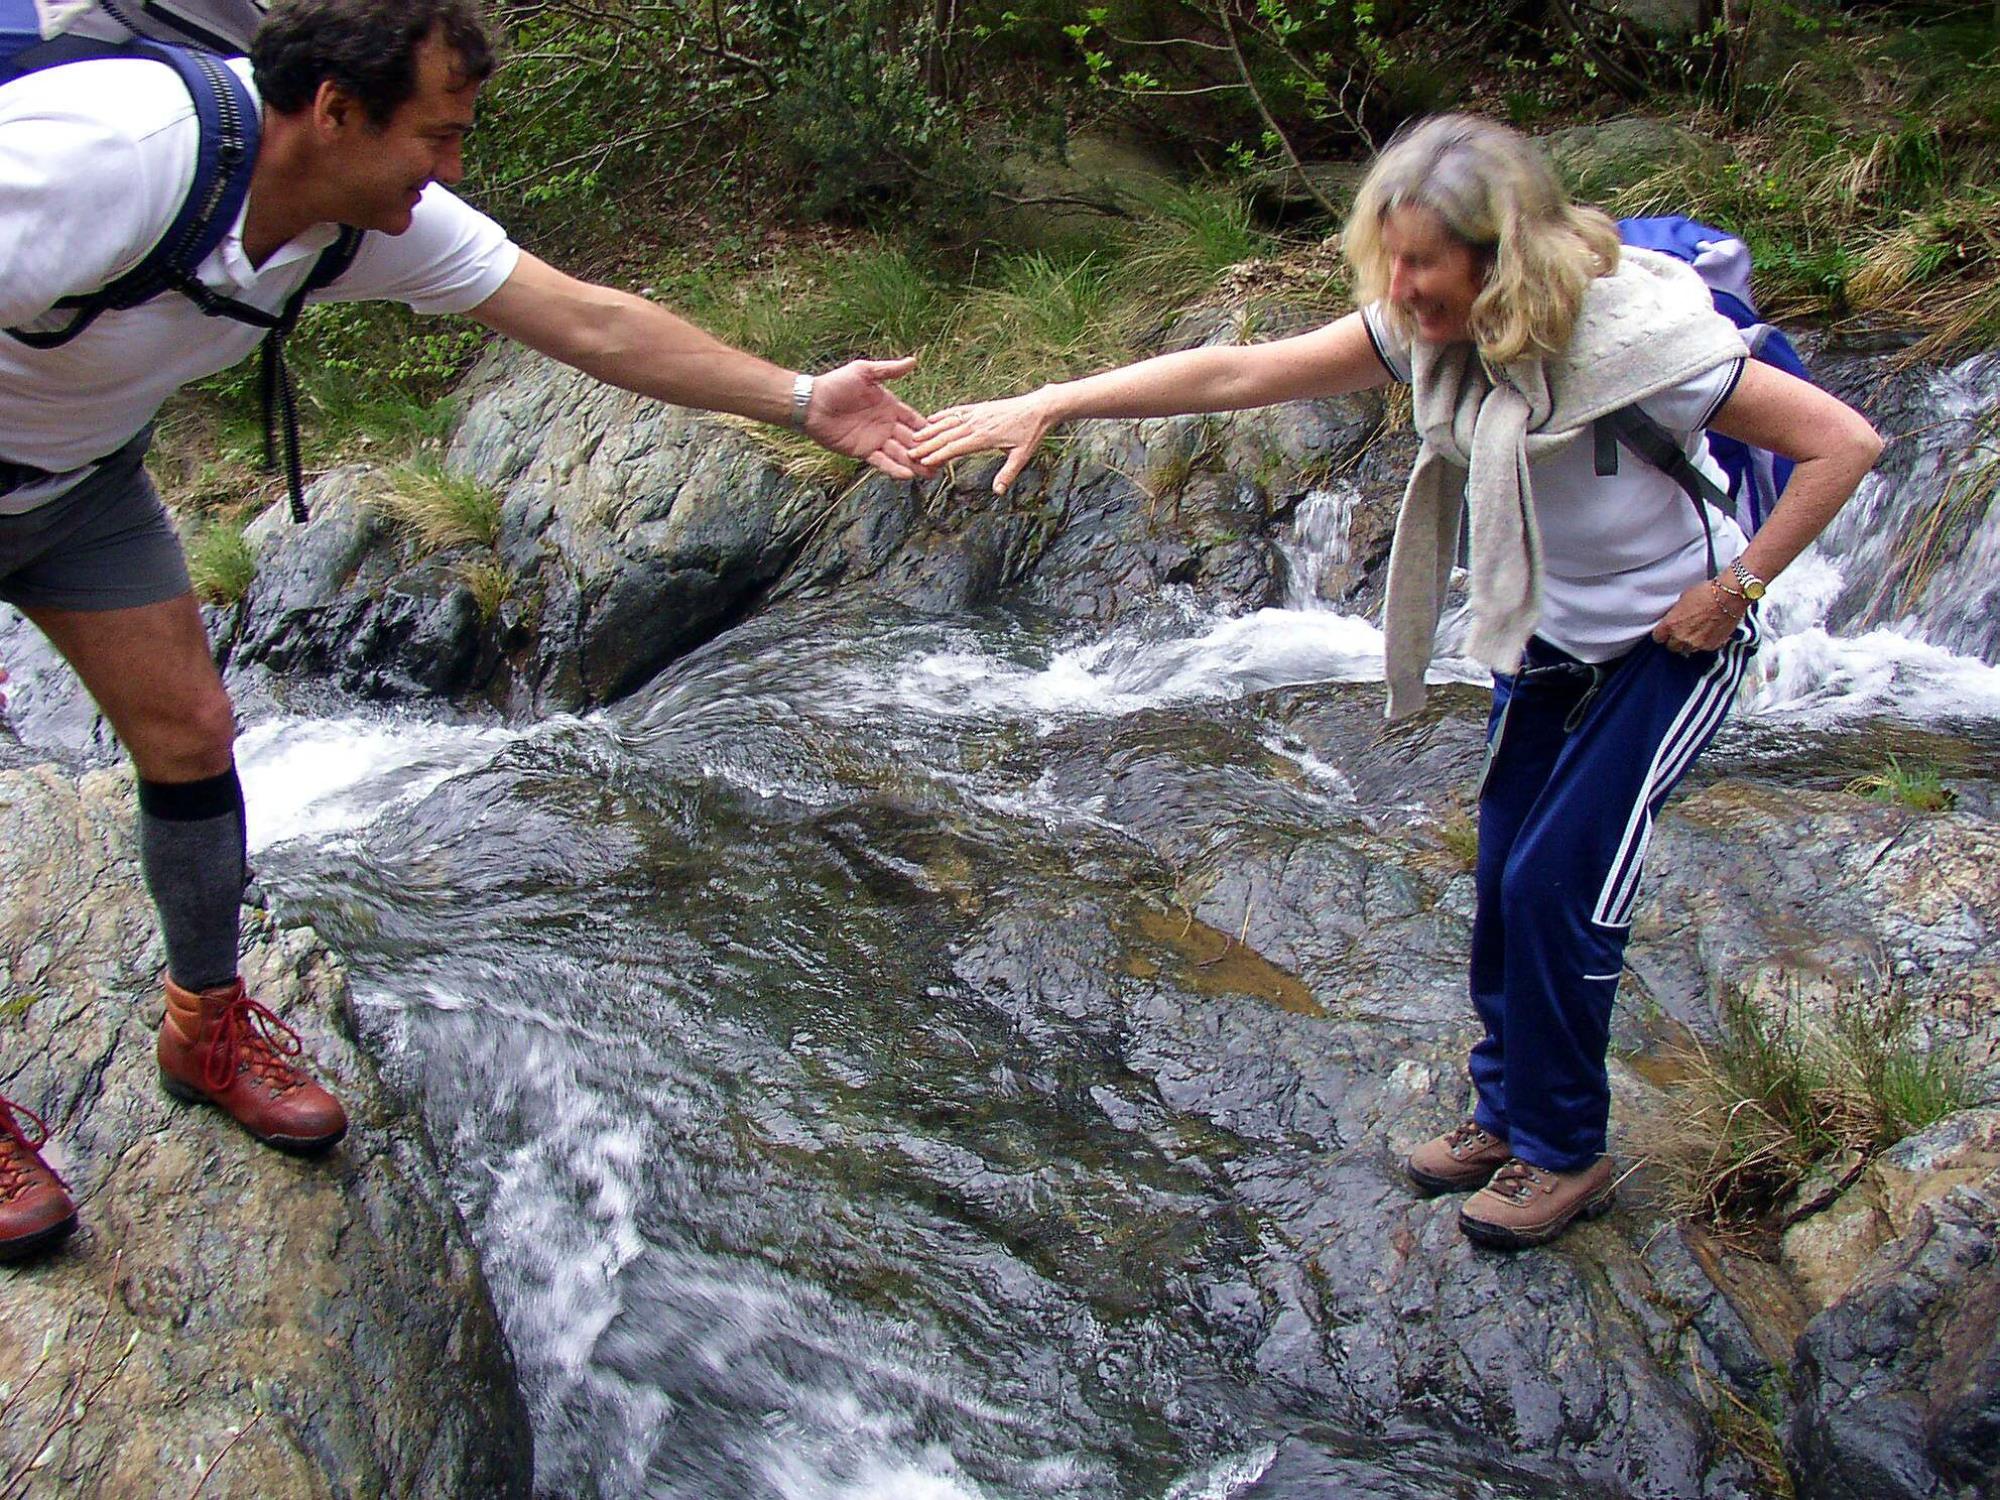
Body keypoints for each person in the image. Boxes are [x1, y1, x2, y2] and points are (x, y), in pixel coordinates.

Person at [0, 0, 926, 1263]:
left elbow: (590, 321)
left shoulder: (358, 216)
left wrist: (804, 397)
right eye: (436, 137)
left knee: (192, 732)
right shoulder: (108, 157)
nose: (449, 169)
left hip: (76, 488)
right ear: (335, 111)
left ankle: (204, 1024)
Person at [910, 114, 1882, 1251]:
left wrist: (1735, 592)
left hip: (1669, 651)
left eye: (1423, 261)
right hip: (1546, 636)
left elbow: (1844, 444)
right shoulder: (1432, 331)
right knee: (1503, 873)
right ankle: (1504, 1114)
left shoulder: (1644, 350)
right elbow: (1239, 372)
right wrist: (1057, 398)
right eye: (1391, 258)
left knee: (1559, 885)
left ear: (1499, 257)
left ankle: (1565, 1151)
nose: (1400, 286)